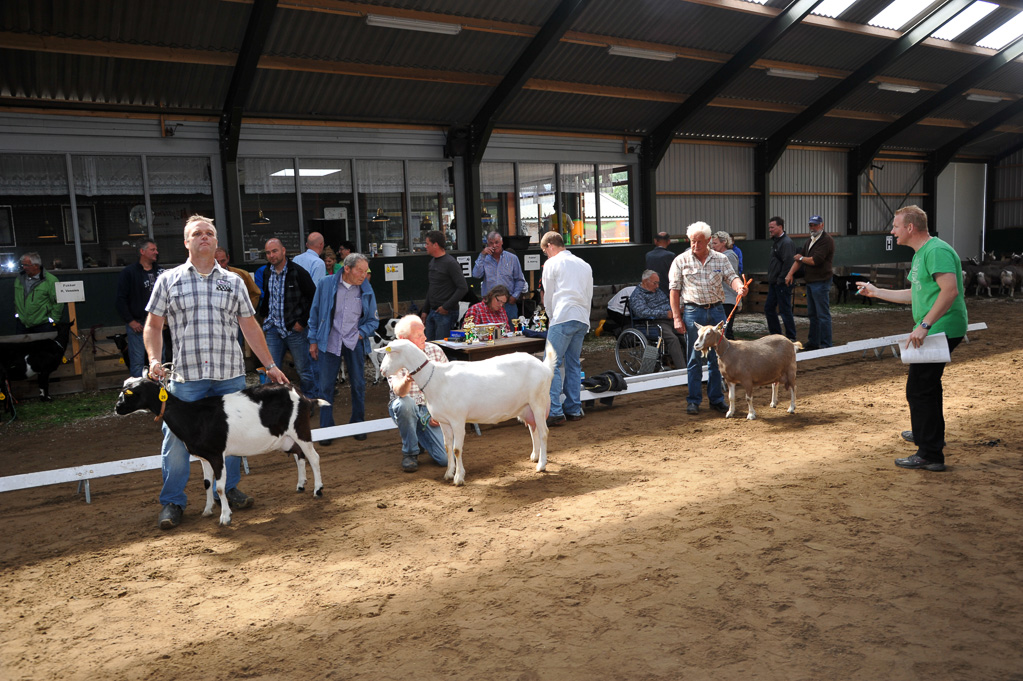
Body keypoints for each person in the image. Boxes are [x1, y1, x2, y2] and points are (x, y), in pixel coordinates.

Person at [144, 215, 287, 530]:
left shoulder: (234, 281)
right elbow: (153, 325)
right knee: (177, 441)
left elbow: (249, 326)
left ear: (216, 241)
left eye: (209, 233)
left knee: (232, 437)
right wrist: (155, 359)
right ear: (187, 242)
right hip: (185, 379)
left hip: (229, 376)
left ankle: (230, 489)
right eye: (197, 233)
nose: (204, 237)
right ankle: (172, 502)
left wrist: (271, 365)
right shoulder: (168, 280)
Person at [857, 205, 968, 473]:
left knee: (920, 389)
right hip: (935, 327)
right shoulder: (922, 253)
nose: (892, 231)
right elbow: (915, 294)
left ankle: (930, 453)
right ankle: (925, 435)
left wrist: (926, 325)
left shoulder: (936, 251)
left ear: (910, 227)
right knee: (924, 387)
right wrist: (877, 292)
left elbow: (950, 291)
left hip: (942, 328)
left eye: (895, 226)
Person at [668, 221, 747, 416]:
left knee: (717, 358)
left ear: (709, 240)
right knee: (694, 358)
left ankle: (716, 399)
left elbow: (731, 277)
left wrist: (739, 288)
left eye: (699, 242)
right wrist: (677, 318)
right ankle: (693, 400)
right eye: (692, 241)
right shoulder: (680, 260)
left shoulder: (721, 259)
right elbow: (674, 291)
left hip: (717, 311)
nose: (695, 245)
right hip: (693, 312)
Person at [308, 252, 378, 445]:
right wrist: (313, 340)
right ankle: (326, 430)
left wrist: (360, 333)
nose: (363, 275)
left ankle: (358, 424)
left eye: (366, 271)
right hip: (329, 341)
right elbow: (314, 313)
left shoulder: (366, 289)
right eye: (360, 271)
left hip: (354, 342)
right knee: (325, 387)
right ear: (347, 269)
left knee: (358, 385)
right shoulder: (325, 284)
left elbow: (373, 320)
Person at [540, 231, 592, 426]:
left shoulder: (551, 263)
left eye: (545, 251)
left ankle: (555, 411)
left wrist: (552, 317)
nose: (547, 254)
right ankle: (573, 408)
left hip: (562, 315)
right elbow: (589, 294)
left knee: (551, 364)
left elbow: (549, 295)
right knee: (573, 363)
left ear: (550, 246)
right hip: (581, 317)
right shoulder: (584, 264)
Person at [386, 315, 449, 473]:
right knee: (405, 404)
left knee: (445, 459)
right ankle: (410, 453)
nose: (425, 338)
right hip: (408, 405)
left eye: (424, 333)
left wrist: (440, 411)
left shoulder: (435, 351)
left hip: (430, 409)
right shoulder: (393, 356)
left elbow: (448, 386)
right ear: (403, 338)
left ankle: (420, 439)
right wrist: (407, 380)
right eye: (419, 335)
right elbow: (399, 392)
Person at [258, 238, 318, 398]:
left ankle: (308, 400)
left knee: (303, 370)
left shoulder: (298, 272)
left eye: (274, 251)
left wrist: (302, 322)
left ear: (283, 251)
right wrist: (264, 316)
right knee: (271, 369)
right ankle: (273, 404)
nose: (271, 255)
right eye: (268, 253)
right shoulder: (266, 271)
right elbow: (267, 296)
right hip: (273, 329)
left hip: (294, 330)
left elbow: (314, 298)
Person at [786, 214, 834, 350]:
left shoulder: (826, 240)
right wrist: (790, 273)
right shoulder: (811, 240)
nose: (812, 227)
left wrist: (801, 259)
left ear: (822, 225)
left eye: (815, 225)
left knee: (822, 314)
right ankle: (814, 342)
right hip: (812, 281)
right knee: (813, 314)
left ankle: (826, 344)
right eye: (811, 225)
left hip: (821, 281)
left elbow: (814, 260)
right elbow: (800, 259)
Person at [115, 240, 163, 377]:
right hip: (138, 323)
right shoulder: (129, 273)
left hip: (158, 324)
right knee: (137, 361)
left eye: (156, 249)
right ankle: (138, 391)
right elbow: (120, 299)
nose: (156, 252)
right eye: (152, 250)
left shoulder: (161, 272)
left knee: (160, 359)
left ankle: (160, 391)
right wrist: (130, 321)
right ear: (142, 251)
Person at [628, 270, 686, 370]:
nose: (657, 286)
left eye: (658, 283)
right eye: (655, 283)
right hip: (653, 323)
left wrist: (676, 310)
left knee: (686, 334)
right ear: (645, 282)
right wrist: (664, 314)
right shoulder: (637, 296)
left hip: (669, 319)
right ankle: (683, 370)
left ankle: (693, 364)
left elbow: (667, 302)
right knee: (673, 339)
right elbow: (642, 312)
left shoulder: (657, 291)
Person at [421, 230, 468, 341]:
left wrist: (446, 307)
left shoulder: (450, 263)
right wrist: (425, 310)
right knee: (429, 346)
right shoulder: (432, 262)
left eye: (427, 244)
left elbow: (463, 287)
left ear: (435, 245)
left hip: (446, 312)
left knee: (443, 347)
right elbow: (432, 287)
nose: (425, 246)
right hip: (433, 311)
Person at [472, 231, 527, 322]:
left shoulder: (512, 258)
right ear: (487, 244)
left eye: (497, 242)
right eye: (491, 243)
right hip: (489, 303)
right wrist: (482, 255)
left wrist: (515, 296)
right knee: (490, 333)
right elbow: (476, 275)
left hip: (508, 302)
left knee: (511, 332)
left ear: (502, 242)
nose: (494, 245)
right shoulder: (484, 259)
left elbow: (520, 280)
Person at [14, 252, 64, 334]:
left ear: (36, 265)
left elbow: (58, 302)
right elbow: (17, 299)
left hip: (43, 325)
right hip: (22, 324)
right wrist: (18, 314)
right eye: (22, 265)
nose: (24, 267)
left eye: (26, 265)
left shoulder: (50, 280)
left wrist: (53, 320)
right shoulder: (19, 279)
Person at [765, 217, 797, 341]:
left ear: (780, 227)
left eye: (772, 227)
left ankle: (791, 337)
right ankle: (776, 335)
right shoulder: (776, 241)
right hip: (775, 282)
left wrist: (781, 279)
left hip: (782, 283)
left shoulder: (786, 243)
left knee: (785, 310)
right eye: (769, 227)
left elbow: (788, 263)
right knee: (769, 308)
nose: (770, 230)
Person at [710, 231, 741, 340]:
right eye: (712, 244)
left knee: (726, 331)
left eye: (715, 243)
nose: (712, 246)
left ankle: (733, 355)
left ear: (724, 243)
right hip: (721, 298)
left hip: (728, 298)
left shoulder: (729, 256)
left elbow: (729, 276)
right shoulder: (717, 256)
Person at [214, 247, 260, 312]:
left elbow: (255, 294)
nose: (220, 265)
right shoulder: (207, 277)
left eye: (223, 261)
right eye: (216, 262)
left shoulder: (242, 275)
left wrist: (247, 312)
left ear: (228, 258)